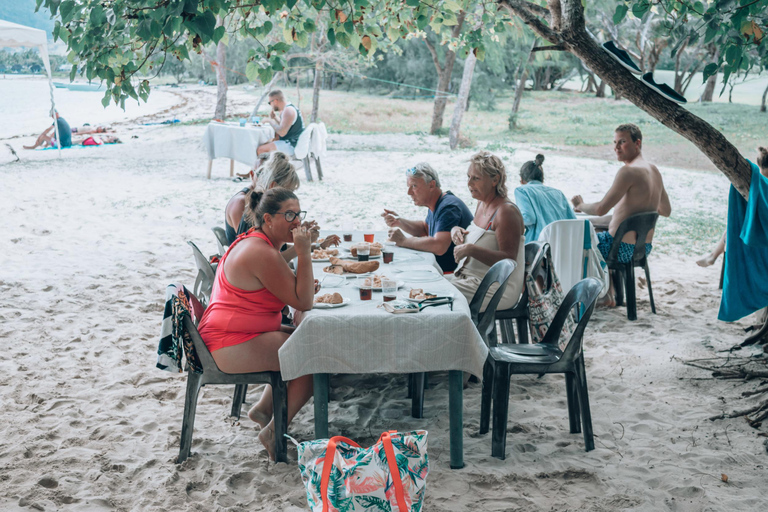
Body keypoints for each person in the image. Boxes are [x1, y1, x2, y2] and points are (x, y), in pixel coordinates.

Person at [198, 188, 317, 460]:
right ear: (268, 219)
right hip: (226, 344)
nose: (297, 221)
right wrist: (305, 253)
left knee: (310, 337)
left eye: (299, 214)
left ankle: (264, 409)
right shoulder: (261, 252)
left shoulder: (258, 242)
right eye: (289, 215)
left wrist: (304, 252)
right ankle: (274, 433)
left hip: (235, 331)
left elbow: (291, 288)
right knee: (314, 359)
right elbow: (305, 302)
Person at [571, 123, 672, 306]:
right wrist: (637, 209)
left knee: (575, 244)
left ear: (637, 143)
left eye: (622, 142)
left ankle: (601, 295)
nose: (616, 148)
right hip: (643, 249)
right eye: (615, 142)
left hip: (619, 249)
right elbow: (665, 210)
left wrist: (580, 205)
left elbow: (601, 208)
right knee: (598, 231)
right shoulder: (653, 170)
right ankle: (611, 292)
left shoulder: (628, 171)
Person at [449, 151, 526, 311]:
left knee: (435, 292)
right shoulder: (482, 204)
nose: (469, 183)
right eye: (468, 177)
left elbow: (509, 261)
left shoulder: (506, 211)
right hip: (470, 280)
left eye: (476, 178)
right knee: (427, 282)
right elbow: (482, 237)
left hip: (495, 287)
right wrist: (457, 231)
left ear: (495, 180)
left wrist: (471, 249)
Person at [383, 163, 474, 273]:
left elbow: (438, 246)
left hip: (452, 274)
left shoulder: (449, 207)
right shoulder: (437, 203)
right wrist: (399, 221)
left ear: (431, 185)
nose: (409, 193)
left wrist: (403, 241)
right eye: (409, 187)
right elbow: (425, 230)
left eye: (414, 186)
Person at [697, 147, 768, 267]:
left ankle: (713, 255)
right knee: (738, 224)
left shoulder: (760, 184)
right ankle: (713, 256)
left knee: (737, 225)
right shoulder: (762, 185)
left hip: (757, 235)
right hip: (757, 233)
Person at [225, 152, 301, 244]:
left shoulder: (270, 209)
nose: (291, 196)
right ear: (274, 186)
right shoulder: (247, 207)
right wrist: (301, 248)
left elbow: (275, 249)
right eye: (289, 191)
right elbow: (262, 253)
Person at [514, 154, 576, 242]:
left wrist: (508, 220)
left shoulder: (522, 190)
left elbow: (528, 218)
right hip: (562, 245)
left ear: (521, 180)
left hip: (539, 247)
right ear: (542, 178)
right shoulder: (558, 193)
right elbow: (572, 220)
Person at [257, 90, 304, 160]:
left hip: (292, 145)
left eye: (269, 103)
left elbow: (282, 132)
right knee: (264, 144)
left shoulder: (288, 110)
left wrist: (270, 121)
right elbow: (285, 125)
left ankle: (266, 170)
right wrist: (275, 118)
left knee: (261, 150)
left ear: (275, 101)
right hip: (292, 142)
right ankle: (264, 170)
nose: (270, 105)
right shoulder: (288, 108)